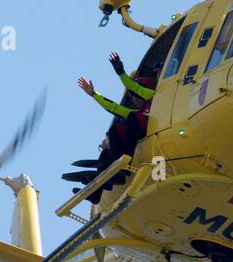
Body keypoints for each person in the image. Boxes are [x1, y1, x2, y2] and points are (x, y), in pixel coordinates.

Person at [64, 52, 161, 202]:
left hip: (150, 131)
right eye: (132, 97)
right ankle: (96, 193)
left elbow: (133, 86)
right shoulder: (136, 112)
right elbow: (113, 108)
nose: (134, 99)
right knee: (108, 146)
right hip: (140, 133)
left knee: (129, 122)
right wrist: (93, 94)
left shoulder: (153, 96)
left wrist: (120, 71)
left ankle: (122, 164)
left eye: (135, 96)